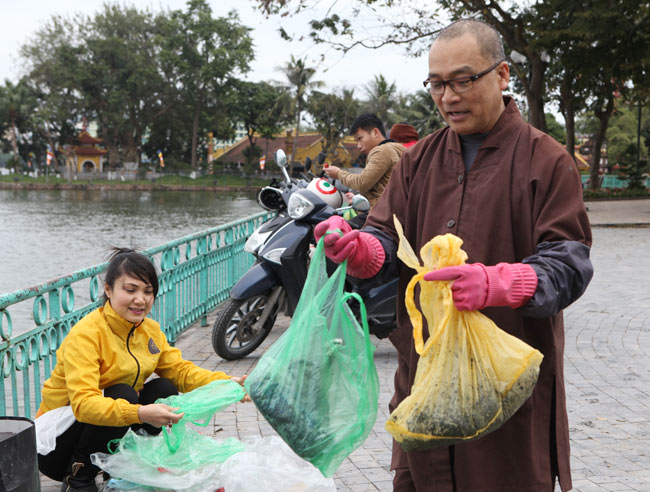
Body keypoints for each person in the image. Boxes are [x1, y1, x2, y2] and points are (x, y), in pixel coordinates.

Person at [314, 18, 593, 492]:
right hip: (425, 378)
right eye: (437, 85)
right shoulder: (417, 161)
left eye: (463, 80)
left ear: (502, 75)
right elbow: (385, 235)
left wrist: (504, 282)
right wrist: (359, 248)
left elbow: (570, 261)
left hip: (506, 384)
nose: (449, 97)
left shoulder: (546, 160)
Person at [36, 248, 248, 492]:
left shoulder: (149, 330)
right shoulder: (86, 335)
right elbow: (84, 405)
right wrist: (141, 413)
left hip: (100, 428)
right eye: (130, 290)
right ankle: (78, 478)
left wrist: (226, 383)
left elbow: (180, 371)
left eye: (148, 291)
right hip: (56, 445)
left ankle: (117, 468)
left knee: (163, 388)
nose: (141, 300)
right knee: (123, 395)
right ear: (108, 290)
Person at [324, 113, 404, 227]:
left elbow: (362, 182)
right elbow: (382, 187)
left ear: (375, 132)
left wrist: (338, 174)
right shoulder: (395, 149)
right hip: (391, 215)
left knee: (335, 230)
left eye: (360, 139)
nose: (358, 146)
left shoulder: (382, 151)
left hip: (380, 217)